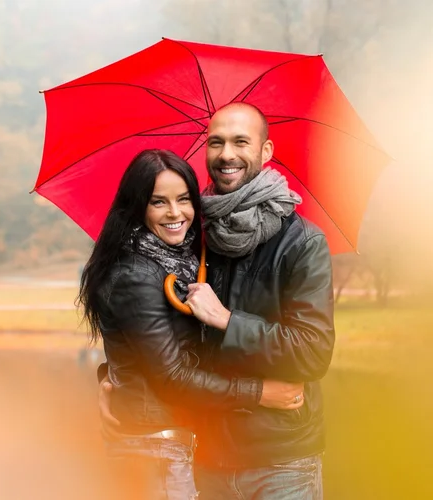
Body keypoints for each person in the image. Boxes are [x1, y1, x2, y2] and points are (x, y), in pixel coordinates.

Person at [100, 103, 335, 499]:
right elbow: (154, 330)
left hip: (280, 460)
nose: (227, 153)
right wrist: (114, 380)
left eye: (241, 141)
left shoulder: (302, 243)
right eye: (216, 142)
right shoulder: (191, 230)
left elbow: (313, 354)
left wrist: (227, 320)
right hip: (204, 454)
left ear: (266, 151)